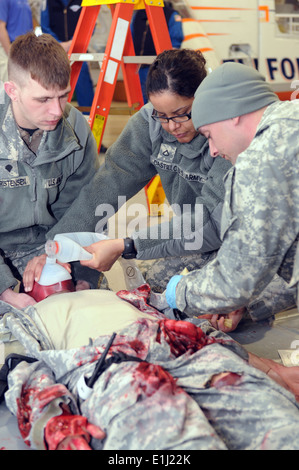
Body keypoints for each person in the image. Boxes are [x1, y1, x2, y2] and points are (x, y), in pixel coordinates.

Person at [22, 48, 297, 331]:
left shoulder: (248, 144)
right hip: (196, 238)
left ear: (206, 102)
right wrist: (55, 246)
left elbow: (211, 225)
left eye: (181, 115)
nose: (171, 127)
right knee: (155, 287)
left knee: (222, 298)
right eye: (161, 115)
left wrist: (127, 245)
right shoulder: (152, 125)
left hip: (231, 235)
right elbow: (106, 186)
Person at [1, 279, 299, 450]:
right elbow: (21, 370)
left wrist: (271, 370)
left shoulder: (129, 294)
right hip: (114, 367)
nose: (60, 279)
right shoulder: (25, 319)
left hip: (186, 352)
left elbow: (197, 327)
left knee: (284, 430)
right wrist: (51, 420)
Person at [162, 62, 299, 322]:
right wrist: (245, 301)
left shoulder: (261, 157)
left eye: (209, 134)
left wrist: (180, 291)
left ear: (232, 115)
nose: (212, 149)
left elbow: (238, 277)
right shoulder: (291, 120)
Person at [0, 31, 101, 311]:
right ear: (12, 91)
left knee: (81, 311)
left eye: (63, 96)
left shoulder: (75, 129)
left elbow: (84, 206)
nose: (57, 110)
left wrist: (78, 270)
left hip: (48, 242)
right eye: (43, 99)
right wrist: (4, 292)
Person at [40, 0, 94, 109]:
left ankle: (88, 115)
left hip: (78, 49)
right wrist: (59, 44)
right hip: (55, 50)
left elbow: (90, 25)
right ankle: (55, 113)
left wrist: (72, 43)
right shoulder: (47, 2)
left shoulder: (83, 1)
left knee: (82, 81)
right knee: (54, 84)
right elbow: (45, 27)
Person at [131, 2, 183, 103]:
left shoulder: (171, 15)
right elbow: (131, 36)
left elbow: (176, 41)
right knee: (141, 99)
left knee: (158, 98)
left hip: (159, 67)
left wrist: (168, 65)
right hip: (139, 66)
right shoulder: (138, 15)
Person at [0, 0, 33, 82]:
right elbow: (1, 27)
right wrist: (10, 53)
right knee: (9, 86)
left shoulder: (25, 1)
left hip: (25, 50)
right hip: (9, 49)